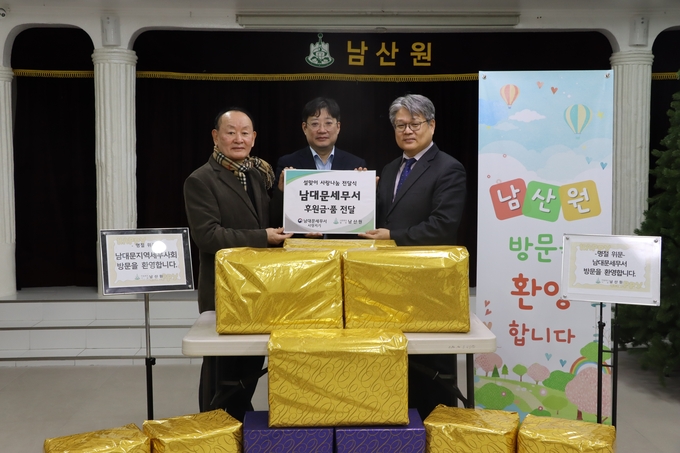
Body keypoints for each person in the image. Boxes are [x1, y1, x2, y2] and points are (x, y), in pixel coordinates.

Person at [360, 94, 467, 419]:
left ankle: (435, 431)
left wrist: (393, 236)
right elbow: (381, 219)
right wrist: (361, 192)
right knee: (392, 373)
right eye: (400, 125)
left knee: (430, 376)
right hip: (387, 288)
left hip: (429, 289)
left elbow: (443, 226)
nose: (407, 131)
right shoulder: (390, 168)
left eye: (414, 124)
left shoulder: (449, 168)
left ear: (431, 125)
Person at [184, 107, 292, 421]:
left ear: (254, 138)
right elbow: (208, 236)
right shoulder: (200, 180)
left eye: (245, 132)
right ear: (215, 137)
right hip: (223, 292)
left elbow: (267, 222)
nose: (238, 139)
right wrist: (263, 237)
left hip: (257, 291)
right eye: (230, 132)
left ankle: (240, 426)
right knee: (220, 375)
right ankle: (214, 427)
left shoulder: (256, 175)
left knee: (247, 371)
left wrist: (288, 203)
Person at [274, 97, 367, 186]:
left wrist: (366, 187)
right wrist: (281, 190)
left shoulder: (355, 165)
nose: (322, 130)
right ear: (305, 128)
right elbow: (276, 198)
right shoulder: (288, 164)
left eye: (328, 123)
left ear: (338, 127)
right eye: (315, 124)